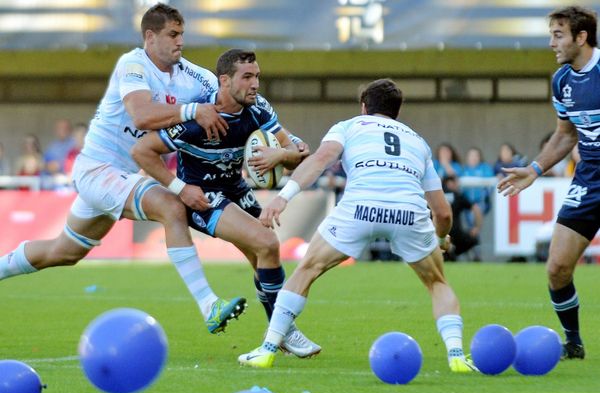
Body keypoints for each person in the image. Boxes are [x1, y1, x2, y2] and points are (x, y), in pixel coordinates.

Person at [0, 3, 247, 335]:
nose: (180, 42)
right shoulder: (132, 64)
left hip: (122, 177)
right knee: (171, 205)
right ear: (150, 36)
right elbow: (142, 115)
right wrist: (193, 112)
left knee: (64, 251)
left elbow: (230, 100)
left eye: (182, 34)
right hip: (97, 170)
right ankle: (209, 305)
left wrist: (280, 141)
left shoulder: (194, 77)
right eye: (172, 35)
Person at [238, 78, 477, 373]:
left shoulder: (349, 126)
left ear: (364, 107)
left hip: (359, 209)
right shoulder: (418, 141)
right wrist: (440, 239)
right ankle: (456, 355)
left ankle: (268, 349)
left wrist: (282, 198)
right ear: (397, 113)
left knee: (306, 270)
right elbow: (442, 213)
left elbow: (320, 160)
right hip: (408, 213)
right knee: (437, 283)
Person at [132, 49, 320, 358]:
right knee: (267, 243)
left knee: (262, 256)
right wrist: (180, 189)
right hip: (203, 197)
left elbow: (299, 152)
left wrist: (280, 155)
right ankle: (282, 332)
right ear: (224, 80)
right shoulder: (198, 120)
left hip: (235, 188)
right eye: (247, 77)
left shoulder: (258, 109)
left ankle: (282, 332)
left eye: (257, 76)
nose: (255, 84)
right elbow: (141, 152)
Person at [497, 5, 600, 360]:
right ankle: (573, 342)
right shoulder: (562, 81)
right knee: (557, 267)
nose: (551, 43)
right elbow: (565, 135)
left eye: (558, 35)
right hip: (590, 180)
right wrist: (535, 169)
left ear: (581, 37)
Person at [442, 175, 483, 261]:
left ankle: (449, 254)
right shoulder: (457, 195)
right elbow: (476, 209)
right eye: (456, 183)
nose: (458, 185)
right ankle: (475, 259)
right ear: (450, 183)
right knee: (474, 240)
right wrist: (476, 227)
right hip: (457, 235)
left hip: (440, 235)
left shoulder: (437, 196)